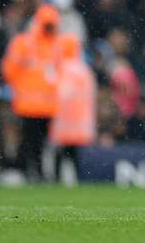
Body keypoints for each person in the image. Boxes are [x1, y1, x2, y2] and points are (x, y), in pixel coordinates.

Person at [2, 4, 66, 181]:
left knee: (39, 144)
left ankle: (38, 174)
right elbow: (9, 71)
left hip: (46, 106)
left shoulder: (55, 45)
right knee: (32, 143)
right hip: (29, 106)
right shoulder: (24, 43)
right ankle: (30, 173)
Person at [49, 33, 96, 186]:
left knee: (60, 154)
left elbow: (58, 93)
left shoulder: (61, 69)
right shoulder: (85, 70)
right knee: (76, 155)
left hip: (64, 122)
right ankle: (80, 180)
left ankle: (56, 181)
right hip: (82, 123)